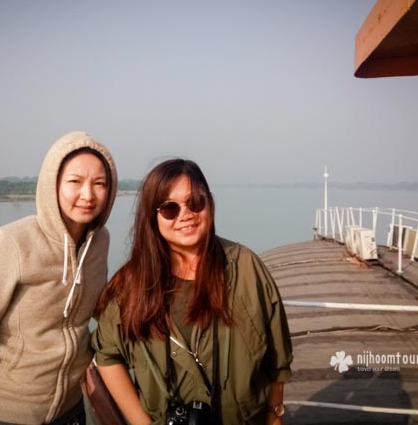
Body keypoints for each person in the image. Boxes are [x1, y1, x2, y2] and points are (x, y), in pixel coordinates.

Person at [92, 159, 292, 425]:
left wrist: (274, 414)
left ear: (210, 203)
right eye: (169, 208)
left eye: (195, 202)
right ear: (152, 217)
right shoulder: (132, 285)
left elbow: (277, 356)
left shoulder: (245, 268)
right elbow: (107, 354)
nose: (185, 214)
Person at [0, 131, 118, 425]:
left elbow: (98, 309)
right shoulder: (11, 243)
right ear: (53, 184)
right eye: (75, 182)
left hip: (71, 410)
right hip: (5, 413)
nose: (88, 195)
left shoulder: (99, 242)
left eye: (99, 184)